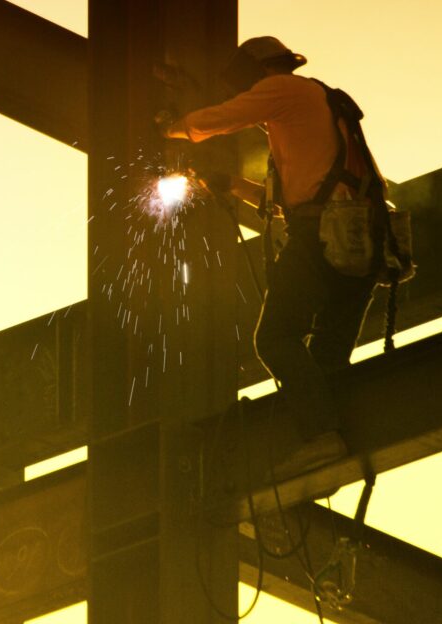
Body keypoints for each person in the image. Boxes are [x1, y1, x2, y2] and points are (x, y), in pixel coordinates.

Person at [164, 36, 383, 478]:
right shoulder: (314, 112)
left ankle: (323, 435)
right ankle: (329, 441)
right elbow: (283, 203)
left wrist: (173, 127)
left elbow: (219, 120)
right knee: (326, 357)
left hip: (322, 237)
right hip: (361, 239)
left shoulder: (282, 88)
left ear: (257, 74)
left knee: (275, 339)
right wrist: (224, 183)